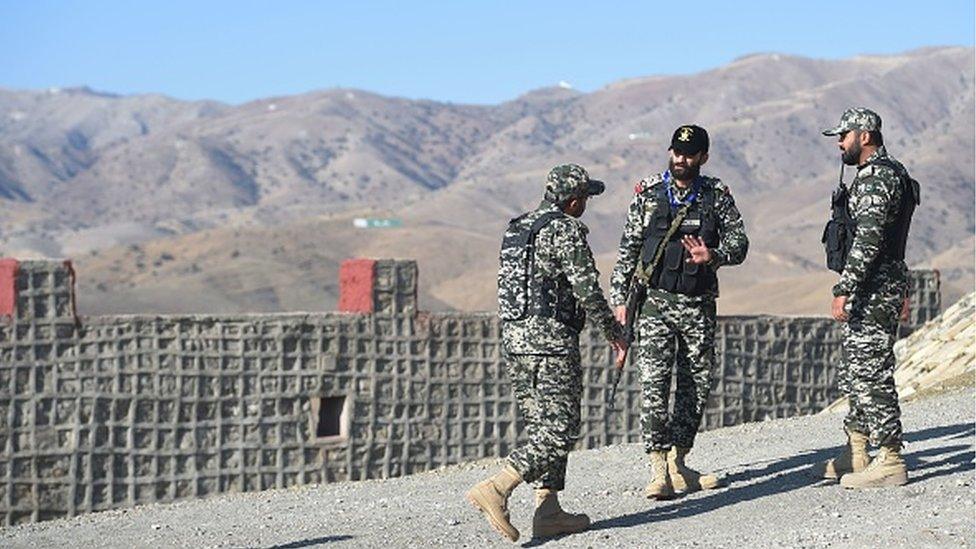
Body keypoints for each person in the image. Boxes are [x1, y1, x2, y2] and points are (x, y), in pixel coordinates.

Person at [466, 164, 628, 542]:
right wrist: (614, 333)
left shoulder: (517, 228)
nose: (586, 204)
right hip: (550, 343)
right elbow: (587, 289)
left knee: (543, 425)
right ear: (573, 201)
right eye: (585, 198)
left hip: (516, 341)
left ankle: (548, 510)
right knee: (562, 427)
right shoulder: (565, 229)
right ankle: (498, 486)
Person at [610, 125, 748, 500]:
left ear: (703, 157)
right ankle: (658, 468)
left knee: (695, 386)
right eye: (676, 151)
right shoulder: (650, 193)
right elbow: (628, 249)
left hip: (698, 305)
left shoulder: (716, 196)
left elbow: (740, 243)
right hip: (655, 304)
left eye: (689, 154)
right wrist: (619, 302)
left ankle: (679, 461)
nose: (680, 159)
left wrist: (714, 256)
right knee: (654, 385)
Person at [816, 107, 919, 488]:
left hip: (873, 286)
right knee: (858, 369)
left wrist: (844, 287)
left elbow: (870, 240)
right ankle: (856, 451)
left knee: (870, 370)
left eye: (844, 135)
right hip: (878, 284)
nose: (840, 143)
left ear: (865, 135)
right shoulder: (888, 173)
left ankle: (890, 457)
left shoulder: (877, 178)